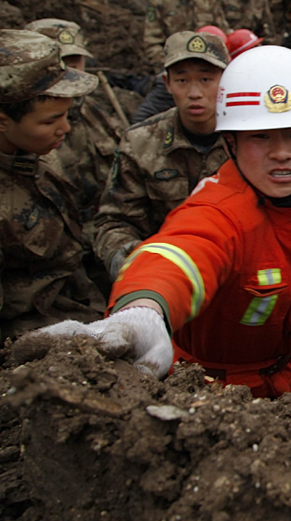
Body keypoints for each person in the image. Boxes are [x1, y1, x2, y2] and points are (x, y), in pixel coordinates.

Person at [26, 45, 291, 404]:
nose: (281, 153)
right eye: (260, 137)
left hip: (285, 377)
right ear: (230, 143)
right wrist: (144, 309)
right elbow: (179, 253)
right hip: (203, 391)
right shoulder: (220, 207)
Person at [93, 31, 229, 279]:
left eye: (206, 79)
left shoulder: (250, 139)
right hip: (163, 272)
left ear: (226, 81)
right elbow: (114, 221)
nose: (194, 93)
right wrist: (130, 259)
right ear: (167, 84)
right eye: (182, 80)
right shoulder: (140, 143)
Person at [0, 29, 106, 338]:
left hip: (84, 300)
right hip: (36, 335)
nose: (65, 128)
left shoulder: (37, 152)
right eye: (50, 121)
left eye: (66, 115)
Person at [24, 19, 130, 225]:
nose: (72, 67)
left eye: (76, 59)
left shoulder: (94, 109)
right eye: (62, 59)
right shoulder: (24, 127)